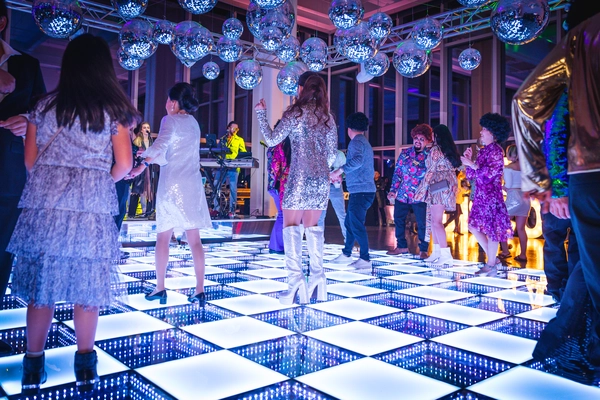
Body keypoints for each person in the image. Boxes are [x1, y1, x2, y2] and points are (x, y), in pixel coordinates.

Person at [6, 34, 138, 393]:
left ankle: (32, 366)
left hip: (46, 208)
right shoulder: (114, 111)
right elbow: (125, 164)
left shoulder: (42, 107)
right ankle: (85, 367)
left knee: (41, 289)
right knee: (88, 287)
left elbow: (32, 163)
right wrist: (98, 180)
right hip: (91, 208)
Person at [512, 0, 600, 365]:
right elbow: (556, 134)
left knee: (588, 264)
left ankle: (568, 340)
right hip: (575, 180)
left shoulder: (578, 43)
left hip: (586, 175)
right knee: (578, 258)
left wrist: (544, 182)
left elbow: (528, 105)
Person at [255, 74, 337, 305]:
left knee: (291, 226)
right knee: (313, 228)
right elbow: (331, 155)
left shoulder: (295, 113)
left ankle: (295, 281)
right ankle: (318, 277)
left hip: (299, 177)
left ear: (301, 88)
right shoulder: (328, 118)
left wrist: (261, 114)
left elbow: (271, 140)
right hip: (321, 179)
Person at [128, 83, 212, 306]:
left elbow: (162, 147)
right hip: (192, 185)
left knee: (163, 237)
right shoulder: (194, 124)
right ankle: (200, 290)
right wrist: (148, 156)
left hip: (172, 184)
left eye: (167, 100)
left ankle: (160, 287)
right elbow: (169, 154)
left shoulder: (170, 120)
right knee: (195, 240)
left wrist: (142, 163)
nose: (166, 104)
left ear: (174, 103)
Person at [0, 0, 46, 355]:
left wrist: (29, 122)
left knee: (3, 252)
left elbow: (44, 115)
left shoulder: (26, 65)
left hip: (10, 172)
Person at [461, 113, 512, 276]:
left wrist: (472, 165)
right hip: (481, 196)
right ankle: (493, 259)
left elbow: (490, 174)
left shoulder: (497, 151)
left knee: (491, 230)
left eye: (484, 129)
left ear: (493, 133)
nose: (481, 132)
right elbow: (472, 176)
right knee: (472, 226)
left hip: (491, 196)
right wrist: (469, 163)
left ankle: (491, 264)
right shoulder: (484, 151)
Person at [330, 112, 376, 269]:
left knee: (355, 224)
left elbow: (357, 161)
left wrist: (338, 171)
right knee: (350, 223)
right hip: (362, 190)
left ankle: (365, 259)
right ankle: (347, 253)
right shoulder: (363, 142)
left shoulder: (356, 142)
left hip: (361, 191)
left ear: (349, 128)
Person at [414, 124, 461, 265]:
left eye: (433, 134)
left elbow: (430, 171)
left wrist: (420, 190)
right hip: (445, 186)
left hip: (437, 186)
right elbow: (455, 169)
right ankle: (437, 252)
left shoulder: (436, 150)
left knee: (436, 221)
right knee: (434, 221)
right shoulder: (449, 151)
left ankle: (445, 254)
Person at [387, 124, 432, 259]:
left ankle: (423, 249)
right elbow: (398, 173)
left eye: (422, 139)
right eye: (416, 138)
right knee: (399, 219)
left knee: (422, 222)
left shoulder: (429, 156)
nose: (418, 141)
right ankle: (401, 246)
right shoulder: (405, 154)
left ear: (427, 141)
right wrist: (393, 190)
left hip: (420, 195)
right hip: (403, 194)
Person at [499, 144, 530, 262]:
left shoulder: (508, 168)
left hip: (514, 197)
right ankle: (523, 255)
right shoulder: (525, 167)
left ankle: (505, 251)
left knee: (502, 225)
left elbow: (509, 185)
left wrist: (503, 187)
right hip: (525, 198)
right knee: (521, 229)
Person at [214, 120, 246, 217]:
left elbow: (243, 153)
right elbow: (217, 152)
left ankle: (232, 210)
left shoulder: (239, 140)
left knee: (233, 188)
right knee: (216, 184)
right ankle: (217, 208)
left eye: (237, 128)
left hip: (233, 168)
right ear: (228, 128)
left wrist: (240, 160)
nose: (235, 130)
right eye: (233, 128)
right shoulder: (222, 139)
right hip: (222, 167)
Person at [267, 135, 291, 254]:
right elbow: (275, 167)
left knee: (283, 215)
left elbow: (273, 167)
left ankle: (276, 246)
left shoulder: (275, 146)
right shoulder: (281, 146)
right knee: (283, 215)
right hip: (281, 184)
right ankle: (277, 247)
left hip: (277, 184)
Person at [317, 150, 347, 241]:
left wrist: (340, 176)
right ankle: (318, 243)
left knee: (341, 214)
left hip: (336, 186)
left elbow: (346, 170)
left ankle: (348, 241)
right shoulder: (319, 153)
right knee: (320, 216)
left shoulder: (340, 154)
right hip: (322, 186)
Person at [128, 122, 153, 218]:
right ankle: (132, 214)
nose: (146, 129)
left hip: (146, 168)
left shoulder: (149, 140)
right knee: (136, 190)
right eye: (144, 127)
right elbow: (136, 150)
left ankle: (144, 213)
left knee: (144, 191)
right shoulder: (138, 139)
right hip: (139, 166)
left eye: (148, 127)